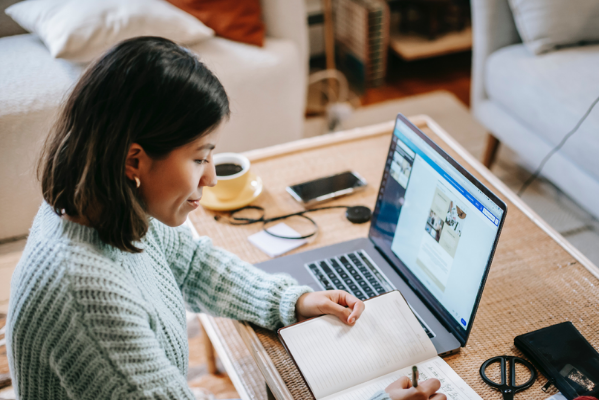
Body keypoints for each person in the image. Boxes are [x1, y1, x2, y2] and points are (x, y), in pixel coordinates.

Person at [6, 37, 445, 400]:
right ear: (133, 160)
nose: (212, 177)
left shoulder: (107, 204)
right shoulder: (89, 298)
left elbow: (194, 267)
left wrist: (291, 302)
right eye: (199, 157)